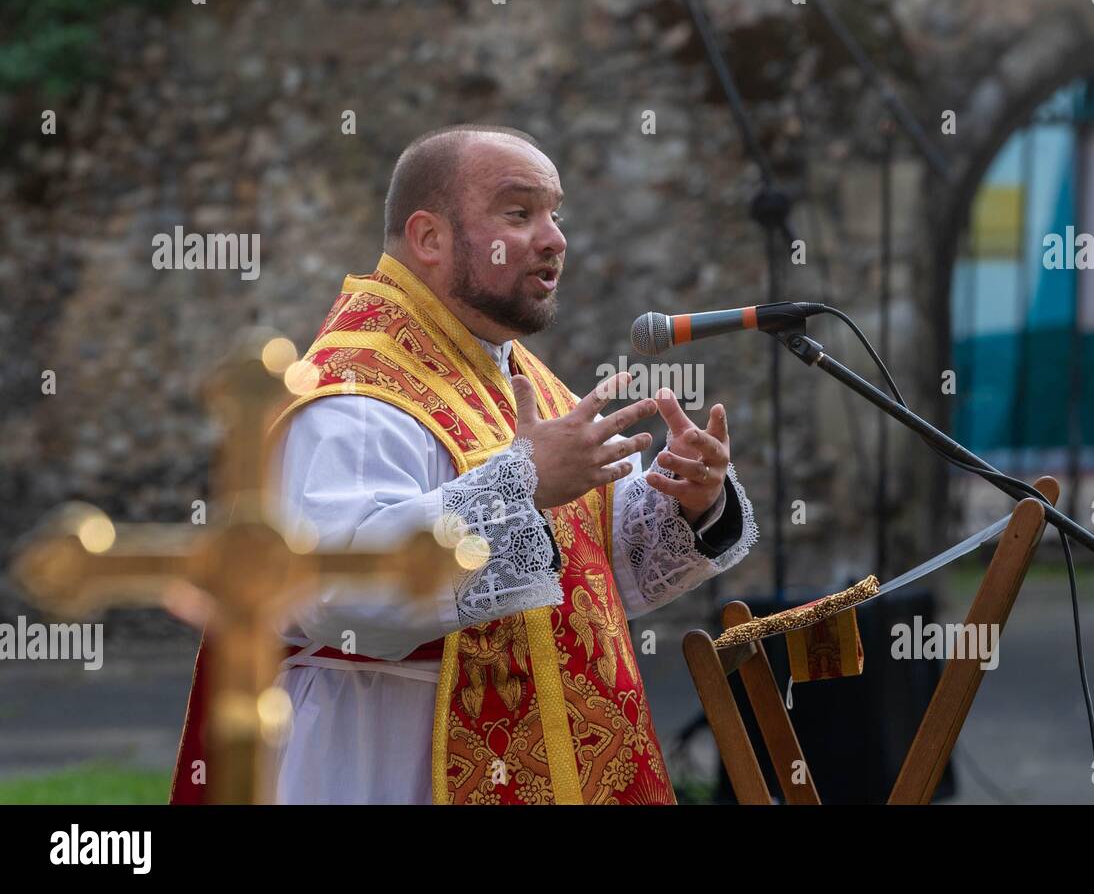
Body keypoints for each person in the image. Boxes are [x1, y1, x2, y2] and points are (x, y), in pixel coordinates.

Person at [170, 124, 758, 804]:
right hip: (389, 752)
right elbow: (337, 593)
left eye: (554, 213)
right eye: (519, 212)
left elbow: (592, 576)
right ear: (429, 238)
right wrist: (523, 483)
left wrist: (686, 500)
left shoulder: (512, 374)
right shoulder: (355, 393)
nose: (554, 238)